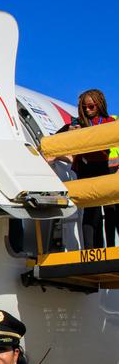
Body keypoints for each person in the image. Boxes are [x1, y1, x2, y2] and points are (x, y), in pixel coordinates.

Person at [54, 89, 118, 248]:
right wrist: (68, 134)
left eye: (91, 106)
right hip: (86, 171)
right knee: (91, 213)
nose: (87, 110)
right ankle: (91, 252)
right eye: (84, 107)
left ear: (100, 104)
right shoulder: (77, 124)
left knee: (111, 210)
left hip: (105, 170)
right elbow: (52, 141)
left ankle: (110, 250)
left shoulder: (110, 122)